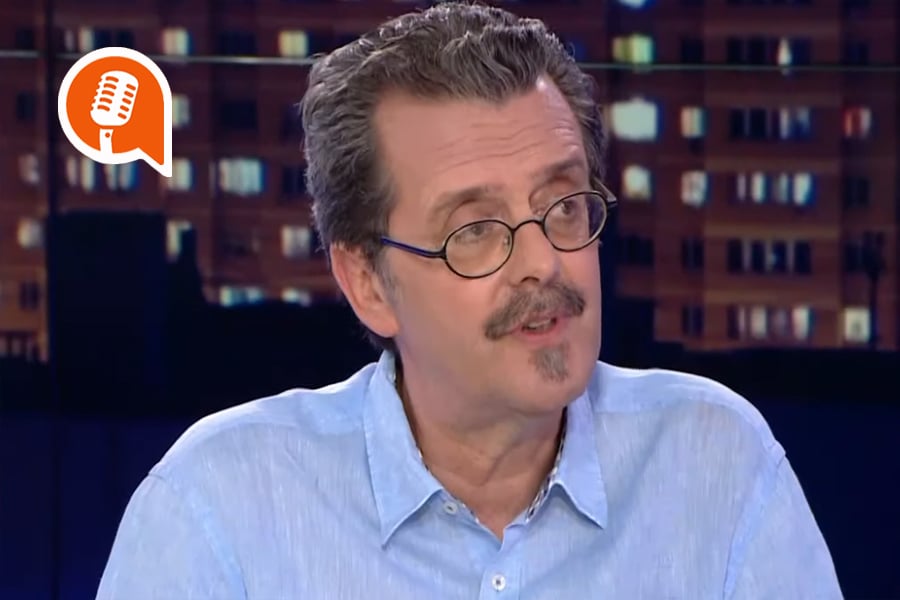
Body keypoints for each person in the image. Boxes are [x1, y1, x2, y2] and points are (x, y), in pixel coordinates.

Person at [96, 2, 842, 598]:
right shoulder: (217, 508)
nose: (544, 262)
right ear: (367, 282)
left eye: (564, 206)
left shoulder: (716, 463)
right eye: (476, 231)